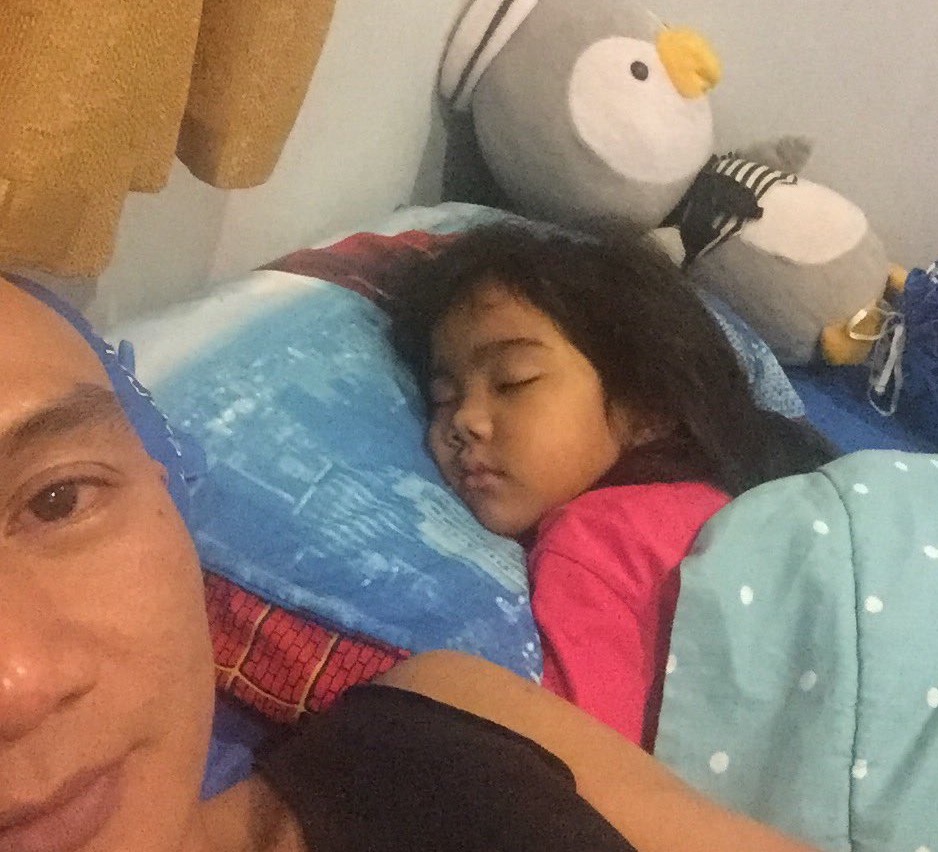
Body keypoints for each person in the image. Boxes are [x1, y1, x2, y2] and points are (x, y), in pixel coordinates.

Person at [0, 273, 822, 852]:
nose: (18, 684)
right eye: (442, 398)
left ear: (165, 491)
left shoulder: (453, 710)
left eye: (56, 499)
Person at [389, 218, 834, 747]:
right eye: (443, 398)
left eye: (513, 381)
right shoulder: (732, 498)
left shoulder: (598, 539)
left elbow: (579, 767)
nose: (465, 419)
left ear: (645, 408)